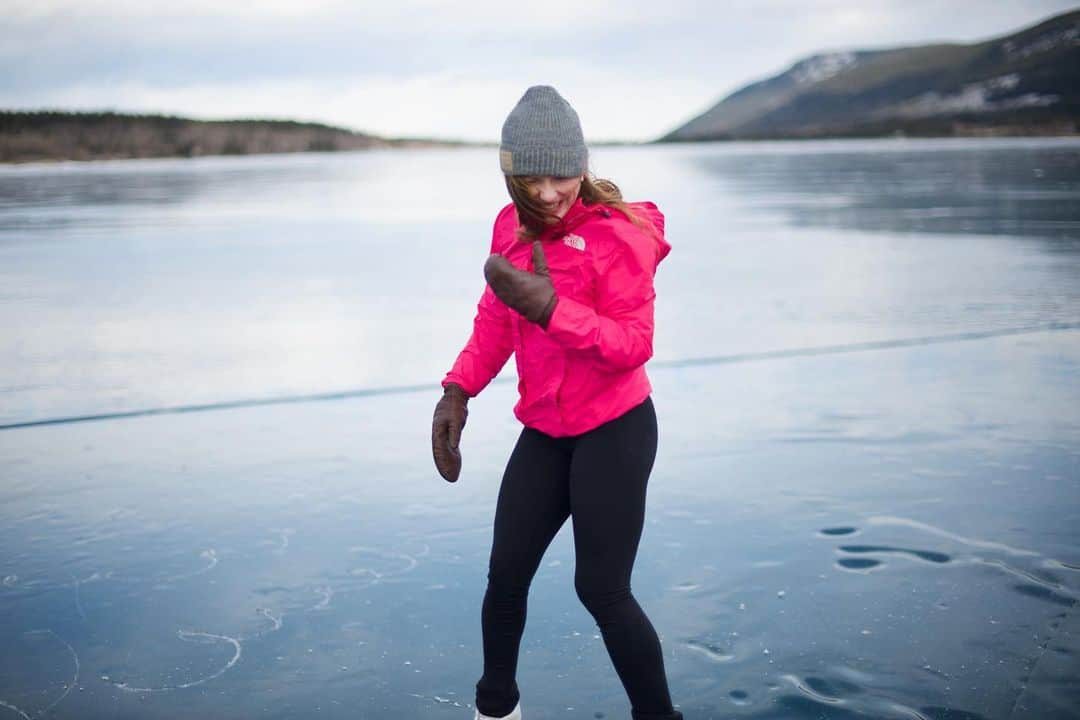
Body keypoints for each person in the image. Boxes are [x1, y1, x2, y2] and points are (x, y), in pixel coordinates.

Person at [431, 85, 681, 720]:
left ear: (583, 164)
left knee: (601, 588)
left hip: (615, 428)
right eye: (531, 178)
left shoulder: (620, 236)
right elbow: (495, 316)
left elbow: (632, 345)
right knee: (505, 578)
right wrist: (458, 390)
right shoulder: (508, 226)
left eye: (562, 175)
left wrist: (551, 308)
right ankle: (495, 710)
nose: (546, 193)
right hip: (545, 428)